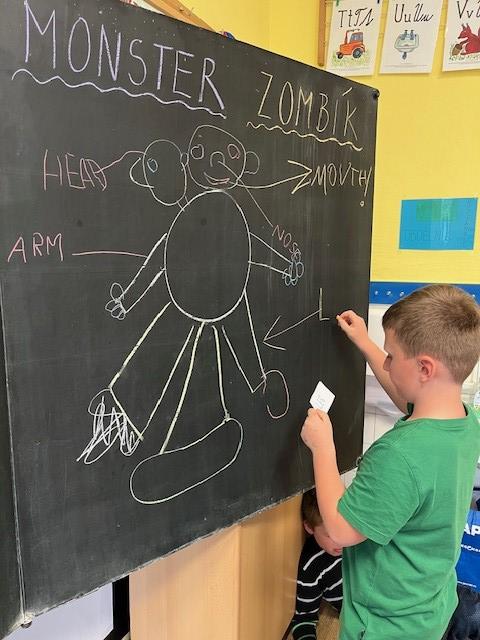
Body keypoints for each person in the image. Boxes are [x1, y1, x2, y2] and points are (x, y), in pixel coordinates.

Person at [300, 284, 480, 640]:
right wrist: (365, 343)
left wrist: (323, 448)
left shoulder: (399, 455)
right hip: (428, 606)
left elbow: (340, 530)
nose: (386, 362)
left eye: (391, 356)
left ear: (425, 368)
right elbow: (407, 398)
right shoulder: (465, 420)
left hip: (384, 624)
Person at [284, 489, 343, 640]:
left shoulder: (356, 536)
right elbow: (304, 620)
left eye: (343, 530)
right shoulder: (311, 569)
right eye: (330, 535)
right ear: (309, 528)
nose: (340, 541)